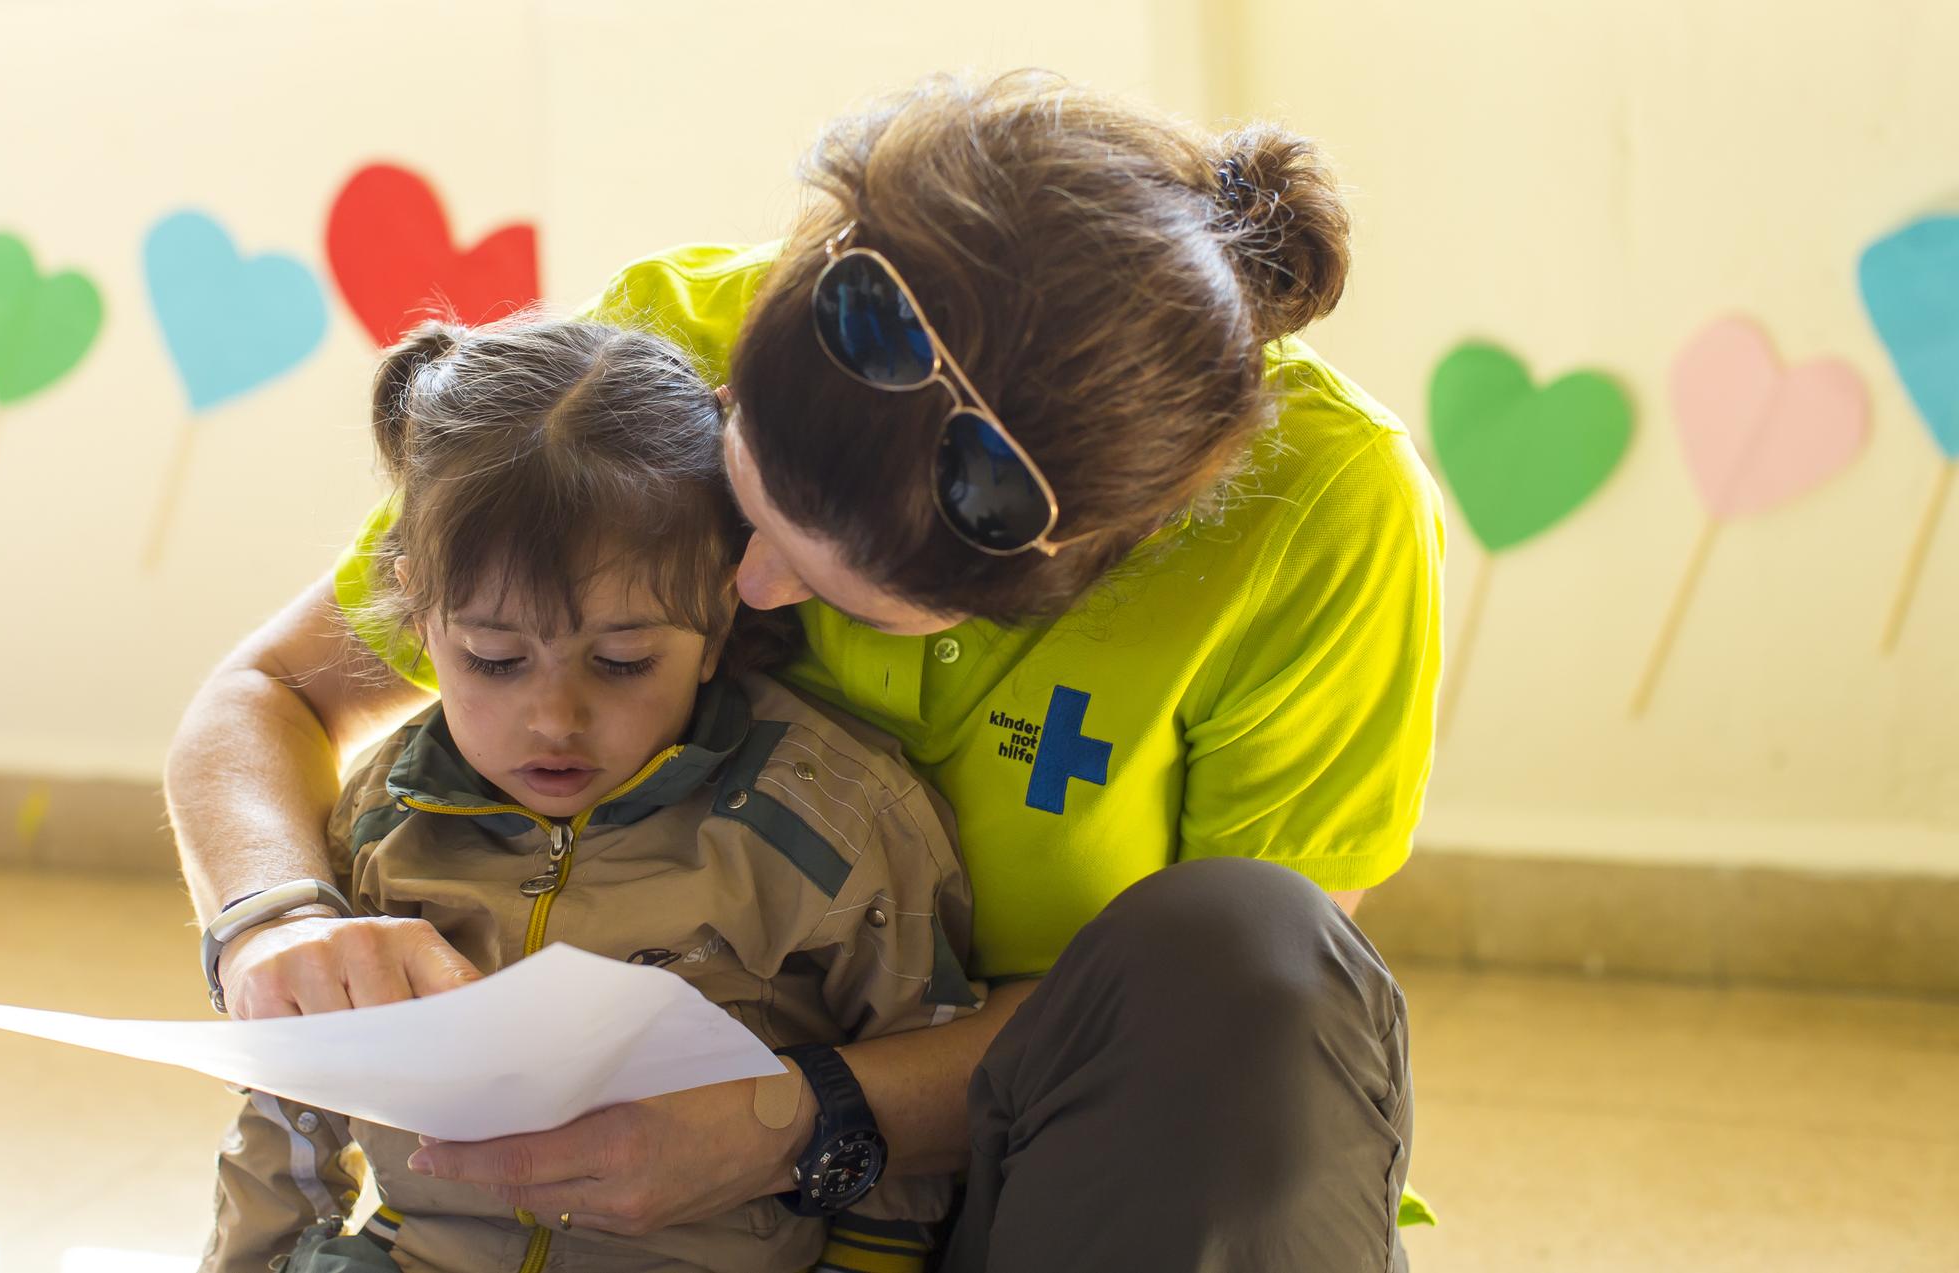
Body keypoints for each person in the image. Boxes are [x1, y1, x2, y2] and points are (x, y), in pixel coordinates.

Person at [168, 70, 1442, 1272]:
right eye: (745, 500)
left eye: (835, 588)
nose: (755, 592)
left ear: (1098, 556)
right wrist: (276, 914)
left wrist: (800, 1119)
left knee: (1251, 945)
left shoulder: (1324, 511)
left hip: (1054, 1178)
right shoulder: (655, 362)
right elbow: (268, 698)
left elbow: (1215, 1031)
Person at [202, 316, 984, 1273]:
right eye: (493, 659)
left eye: (621, 661)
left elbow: (910, 1131)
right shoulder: (384, 816)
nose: (553, 718)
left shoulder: (834, 821)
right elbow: (292, 1097)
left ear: (723, 604)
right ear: (419, 607)